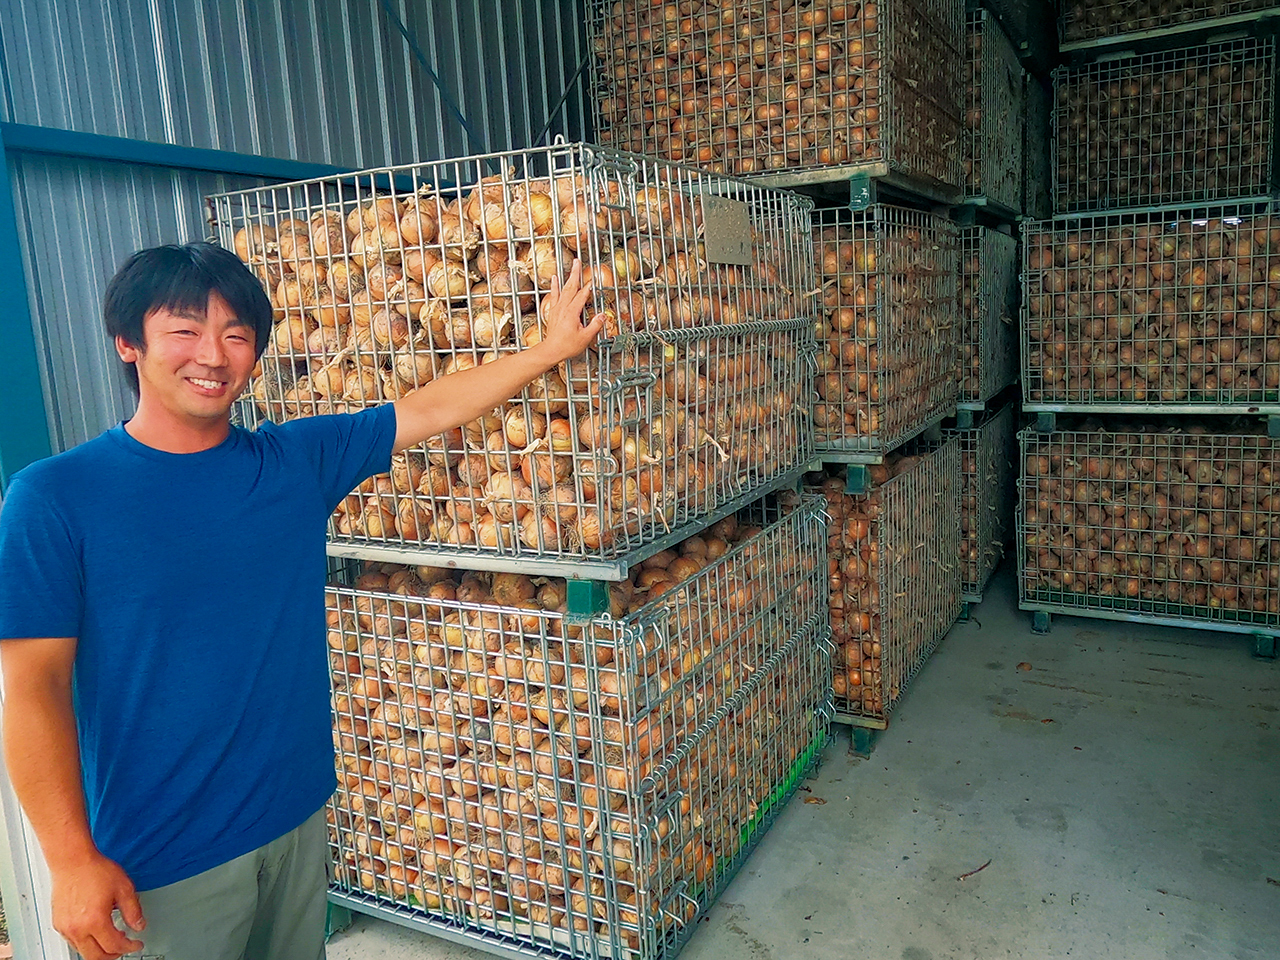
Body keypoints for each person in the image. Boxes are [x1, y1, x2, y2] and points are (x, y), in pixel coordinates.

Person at [0, 240, 605, 960]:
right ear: (129, 342)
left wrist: (546, 351)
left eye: (236, 335)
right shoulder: (57, 497)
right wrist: (69, 862)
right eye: (185, 331)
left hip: (293, 821)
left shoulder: (292, 462)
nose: (213, 355)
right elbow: (33, 685)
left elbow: (428, 407)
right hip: (163, 858)